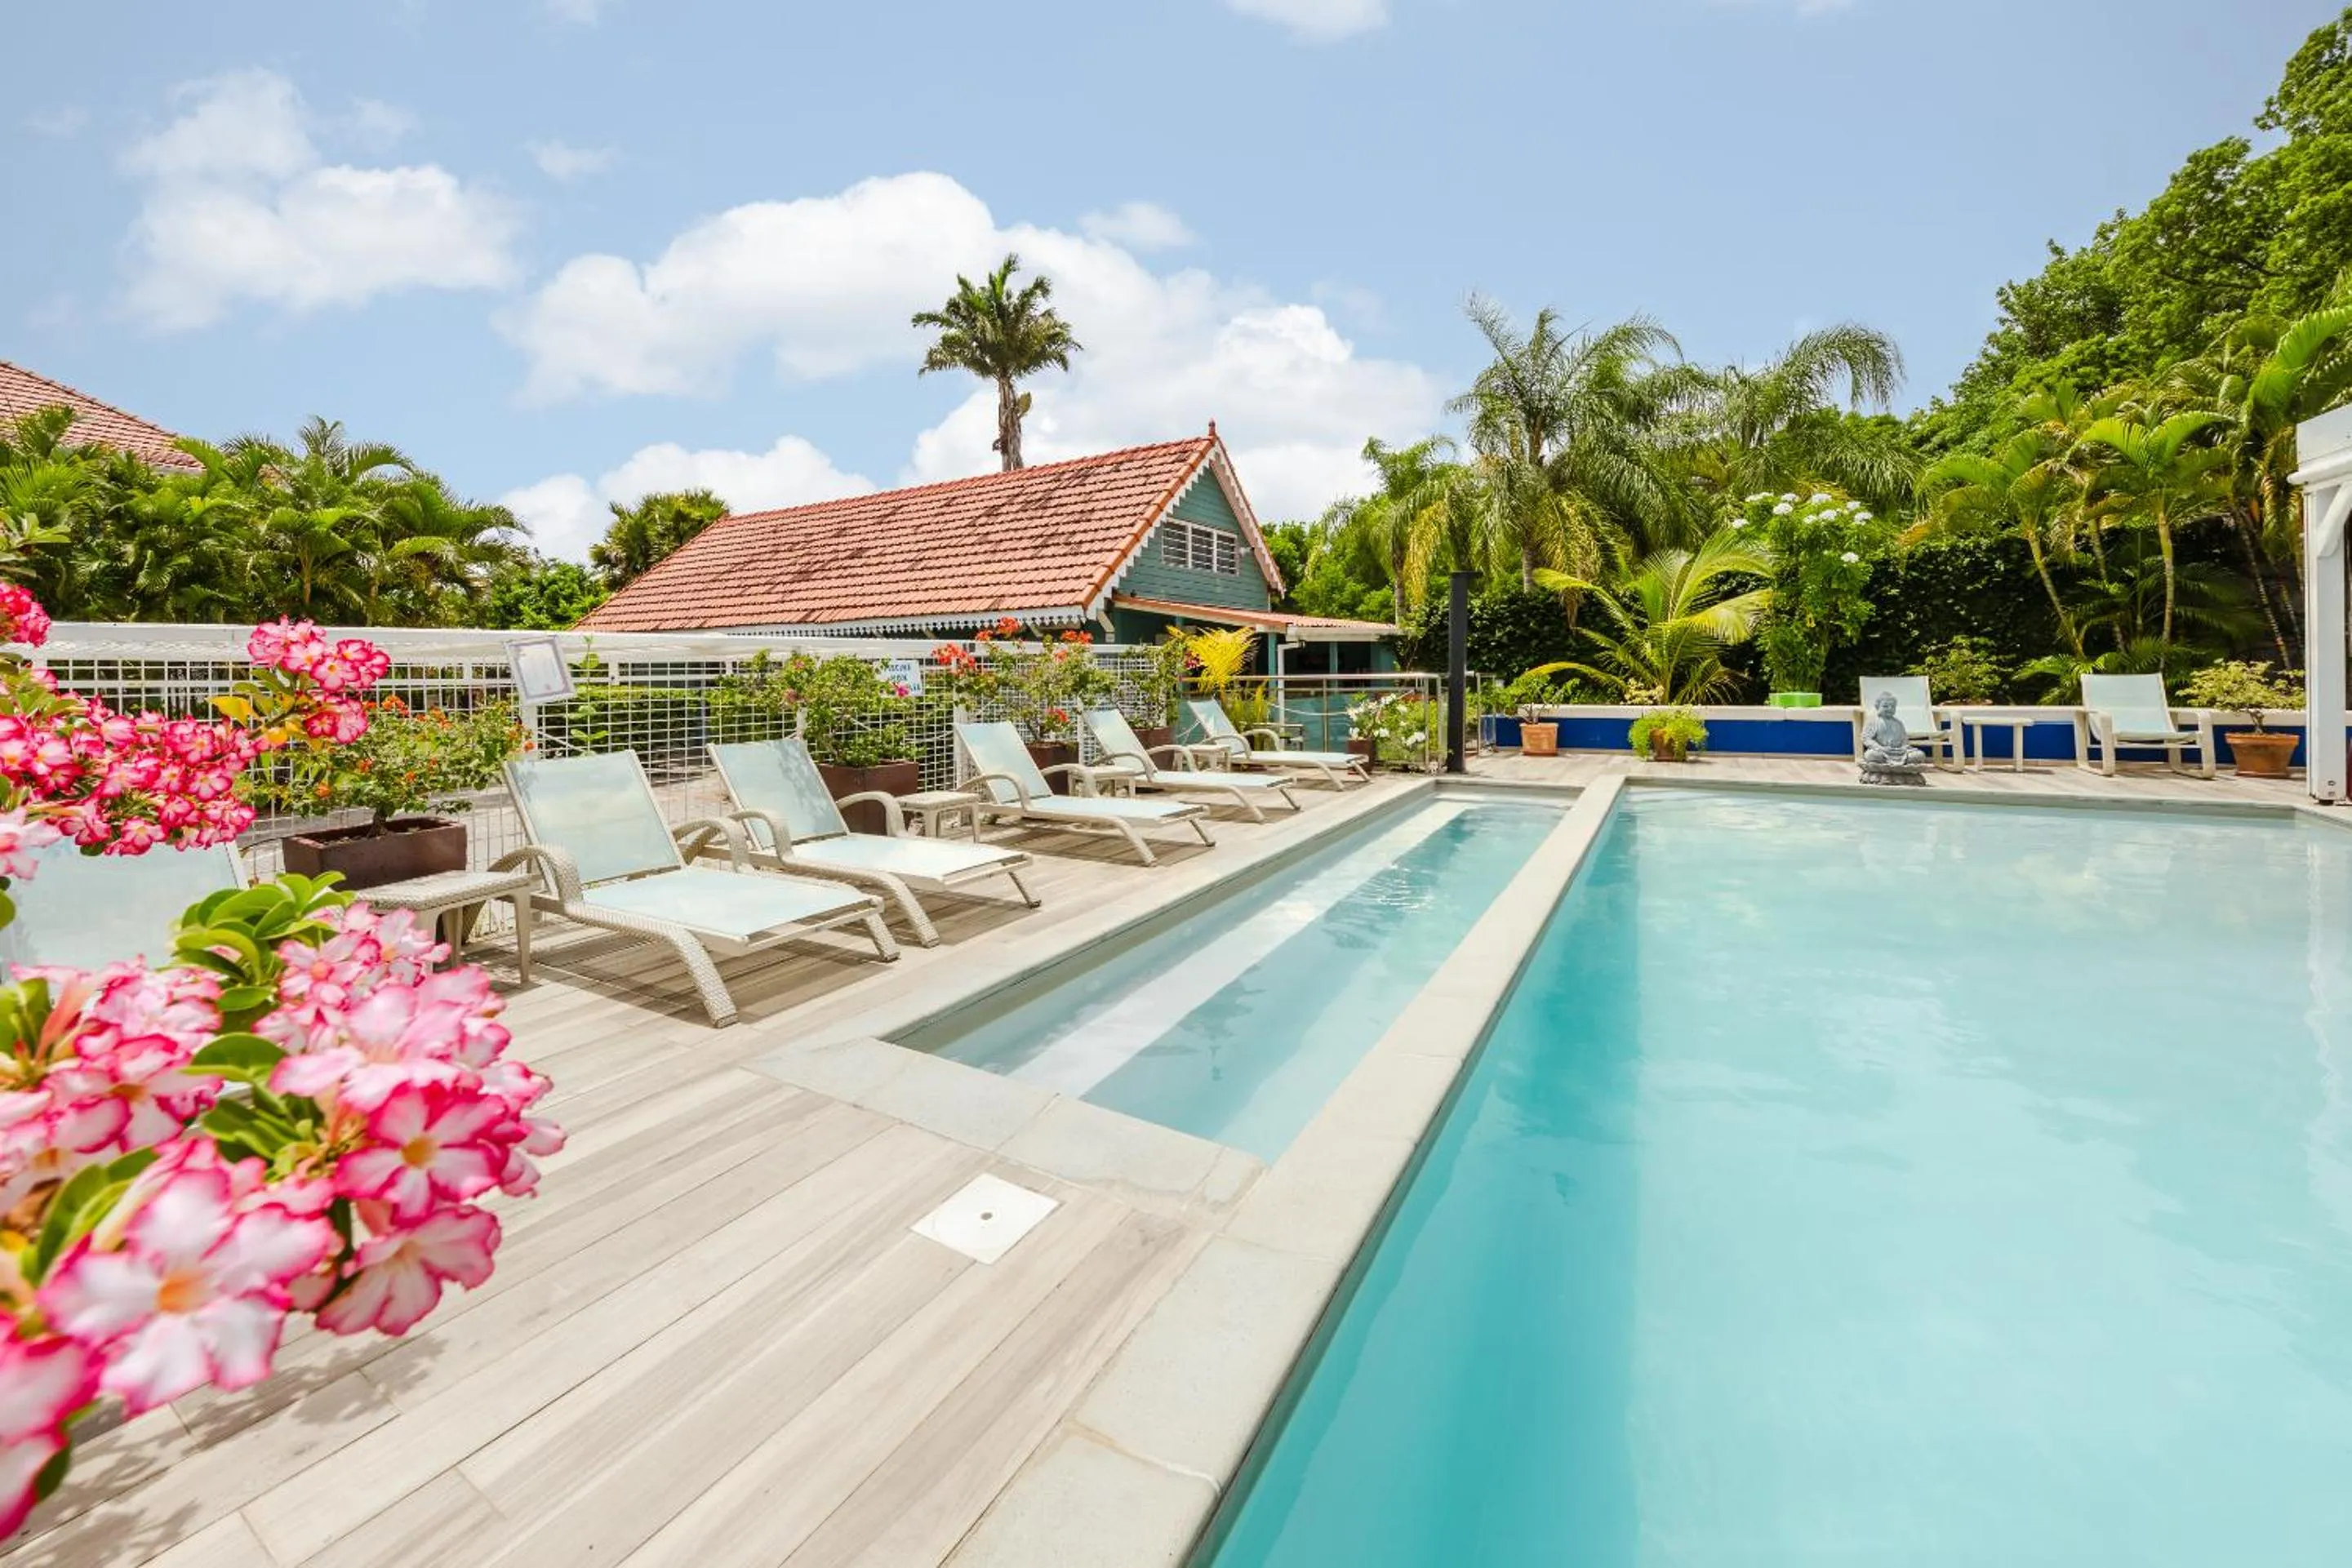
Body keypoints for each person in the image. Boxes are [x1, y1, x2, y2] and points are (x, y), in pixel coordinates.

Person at [1861, 691, 1926, 770]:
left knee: (1919, 755)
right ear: (1877, 707)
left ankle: (1895, 765)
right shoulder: (1873, 722)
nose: (1890, 709)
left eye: (1892, 706)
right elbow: (1866, 738)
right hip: (1882, 751)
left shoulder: (1899, 723)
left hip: (1899, 752)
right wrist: (1880, 748)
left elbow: (1904, 740)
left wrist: (1903, 748)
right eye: (1885, 706)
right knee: (1871, 755)